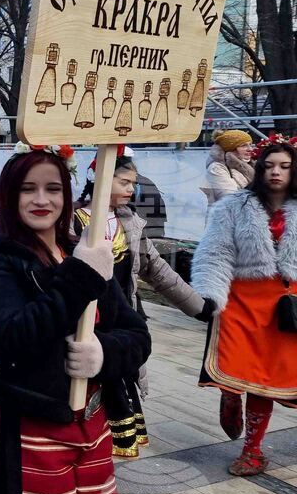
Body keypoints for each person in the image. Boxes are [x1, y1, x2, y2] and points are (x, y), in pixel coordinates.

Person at [0, 143, 151, 494]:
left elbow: (136, 333)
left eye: (53, 188)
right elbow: (14, 338)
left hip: (95, 425)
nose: (41, 199)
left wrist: (104, 355)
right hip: (30, 430)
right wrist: (82, 275)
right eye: (27, 188)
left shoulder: (79, 248)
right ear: (8, 194)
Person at [75, 150, 205, 458]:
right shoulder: (72, 218)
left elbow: (157, 270)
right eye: (124, 181)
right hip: (84, 324)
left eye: (133, 183)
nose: (131, 189)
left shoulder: (130, 223)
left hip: (121, 322)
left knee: (118, 397)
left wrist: (198, 306)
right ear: (100, 177)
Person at [191, 134, 297, 476]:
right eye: (268, 166)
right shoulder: (233, 206)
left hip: (285, 304)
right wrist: (209, 294)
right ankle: (230, 392)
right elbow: (216, 251)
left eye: (284, 166)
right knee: (236, 367)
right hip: (240, 299)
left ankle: (252, 451)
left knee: (263, 379)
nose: (275, 172)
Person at [204, 129, 254, 204]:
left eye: (250, 144)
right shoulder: (216, 168)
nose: (250, 149)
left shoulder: (250, 165)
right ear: (230, 148)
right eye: (244, 145)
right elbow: (230, 198)